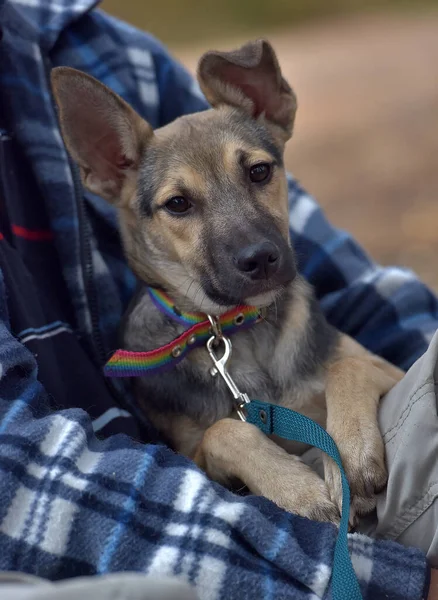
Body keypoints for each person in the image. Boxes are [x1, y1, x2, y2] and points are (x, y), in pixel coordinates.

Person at [0, 0, 437, 598]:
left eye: (257, 175)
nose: (250, 244)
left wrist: (355, 378)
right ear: (108, 169)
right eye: (181, 205)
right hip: (219, 551)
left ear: (271, 110)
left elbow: (373, 315)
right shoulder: (158, 368)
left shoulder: (89, 37)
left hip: (369, 488)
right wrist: (228, 440)